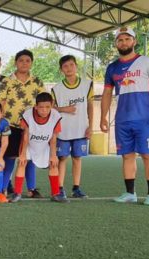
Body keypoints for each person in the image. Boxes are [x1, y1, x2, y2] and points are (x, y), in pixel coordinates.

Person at [100, 27, 149, 206]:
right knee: (127, 156)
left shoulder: (147, 62)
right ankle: (130, 193)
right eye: (120, 40)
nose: (123, 43)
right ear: (116, 44)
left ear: (134, 41)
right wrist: (103, 116)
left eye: (127, 39)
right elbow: (106, 94)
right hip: (122, 120)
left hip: (145, 119)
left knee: (147, 155)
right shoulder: (112, 68)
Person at [0, 49, 46, 198]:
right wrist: (2, 122)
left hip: (32, 126)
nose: (24, 63)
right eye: (21, 60)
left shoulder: (37, 81)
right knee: (9, 158)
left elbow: (44, 101)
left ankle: (32, 189)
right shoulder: (7, 81)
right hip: (11, 125)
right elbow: (0, 102)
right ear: (15, 62)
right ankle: (3, 189)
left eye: (27, 61)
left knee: (30, 158)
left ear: (31, 63)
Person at [11, 93, 67, 203]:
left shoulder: (55, 116)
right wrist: (22, 154)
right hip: (29, 143)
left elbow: (54, 137)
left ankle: (55, 194)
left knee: (53, 164)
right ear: (36, 106)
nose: (44, 110)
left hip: (45, 144)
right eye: (41, 107)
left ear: (52, 105)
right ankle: (17, 193)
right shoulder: (28, 114)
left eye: (47, 107)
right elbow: (26, 135)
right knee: (21, 163)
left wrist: (53, 155)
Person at [52, 55, 93, 200]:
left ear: (76, 66)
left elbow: (90, 105)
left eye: (71, 65)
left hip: (81, 129)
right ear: (61, 69)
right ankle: (60, 188)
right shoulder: (57, 89)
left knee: (77, 158)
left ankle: (76, 188)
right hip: (63, 130)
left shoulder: (87, 85)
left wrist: (91, 126)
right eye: (65, 66)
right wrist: (64, 109)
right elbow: (51, 109)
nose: (69, 68)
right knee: (62, 158)